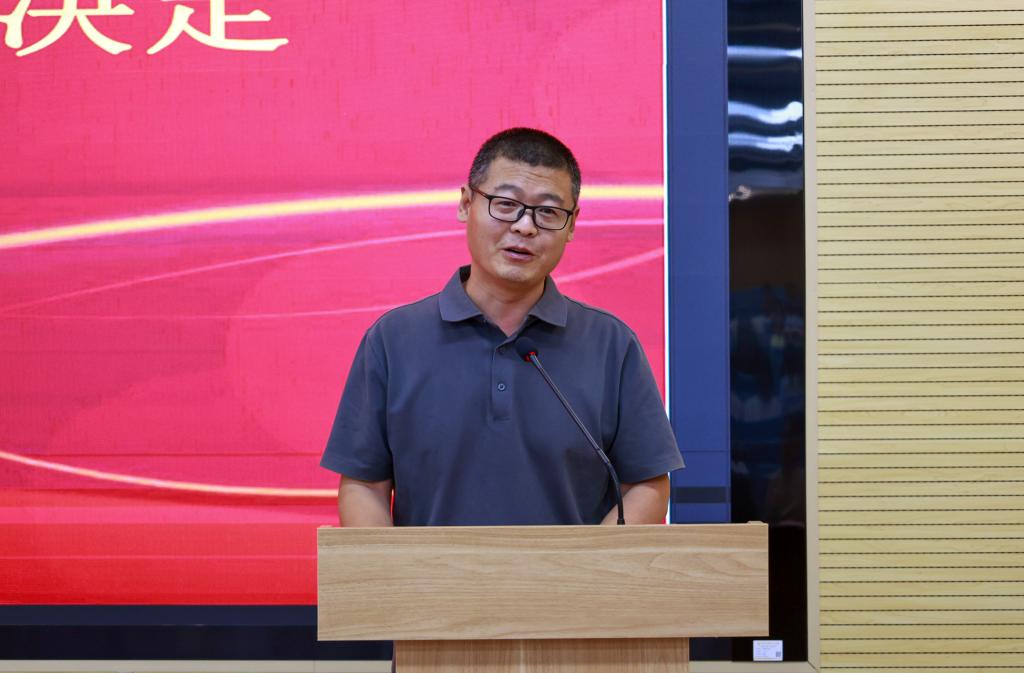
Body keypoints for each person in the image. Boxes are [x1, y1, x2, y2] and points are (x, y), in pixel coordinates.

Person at [320, 127, 683, 527]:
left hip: (571, 572)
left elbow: (646, 483)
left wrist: (592, 563)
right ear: (466, 203)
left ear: (572, 224)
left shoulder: (611, 344)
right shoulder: (393, 340)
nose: (525, 227)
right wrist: (396, 569)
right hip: (429, 571)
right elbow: (364, 485)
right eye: (506, 204)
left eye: (548, 212)